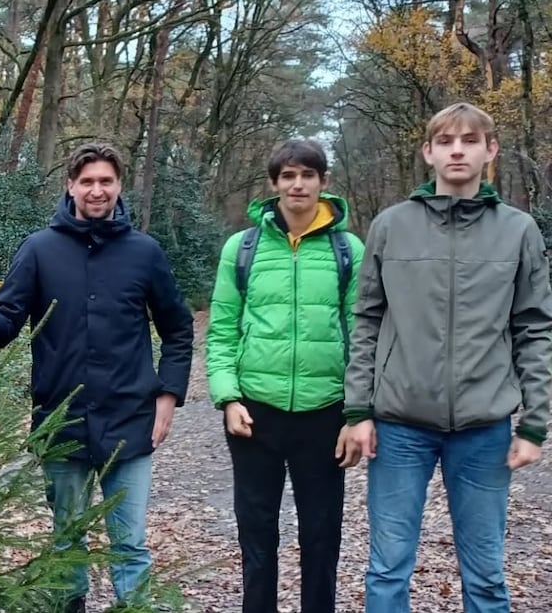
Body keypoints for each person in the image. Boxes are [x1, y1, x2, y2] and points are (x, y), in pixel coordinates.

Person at [0, 142, 195, 611]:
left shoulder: (144, 252)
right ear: (70, 186)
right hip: (61, 425)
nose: (96, 190)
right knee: (68, 543)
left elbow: (178, 329)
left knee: (129, 545)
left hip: (131, 423)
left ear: (119, 186)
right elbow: (4, 324)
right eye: (87, 181)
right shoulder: (40, 250)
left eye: (106, 181)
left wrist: (167, 396)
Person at [344, 102, 552, 613]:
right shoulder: (391, 227)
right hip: (399, 426)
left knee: (485, 574)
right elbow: (367, 321)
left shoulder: (518, 230)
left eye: (469, 140)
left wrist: (534, 424)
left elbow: (534, 327)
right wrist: (358, 410)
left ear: (490, 150)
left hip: (484, 428)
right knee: (388, 569)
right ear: (429, 152)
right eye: (446, 142)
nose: (457, 150)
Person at [206, 139, 364, 613]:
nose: (298, 185)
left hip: (325, 415)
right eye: (288, 176)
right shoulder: (243, 247)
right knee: (257, 537)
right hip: (255, 414)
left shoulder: (347, 249)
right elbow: (221, 330)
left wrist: (356, 413)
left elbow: (363, 336)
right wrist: (228, 396)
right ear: (274, 184)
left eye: (308, 175)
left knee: (321, 536)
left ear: (323, 182)